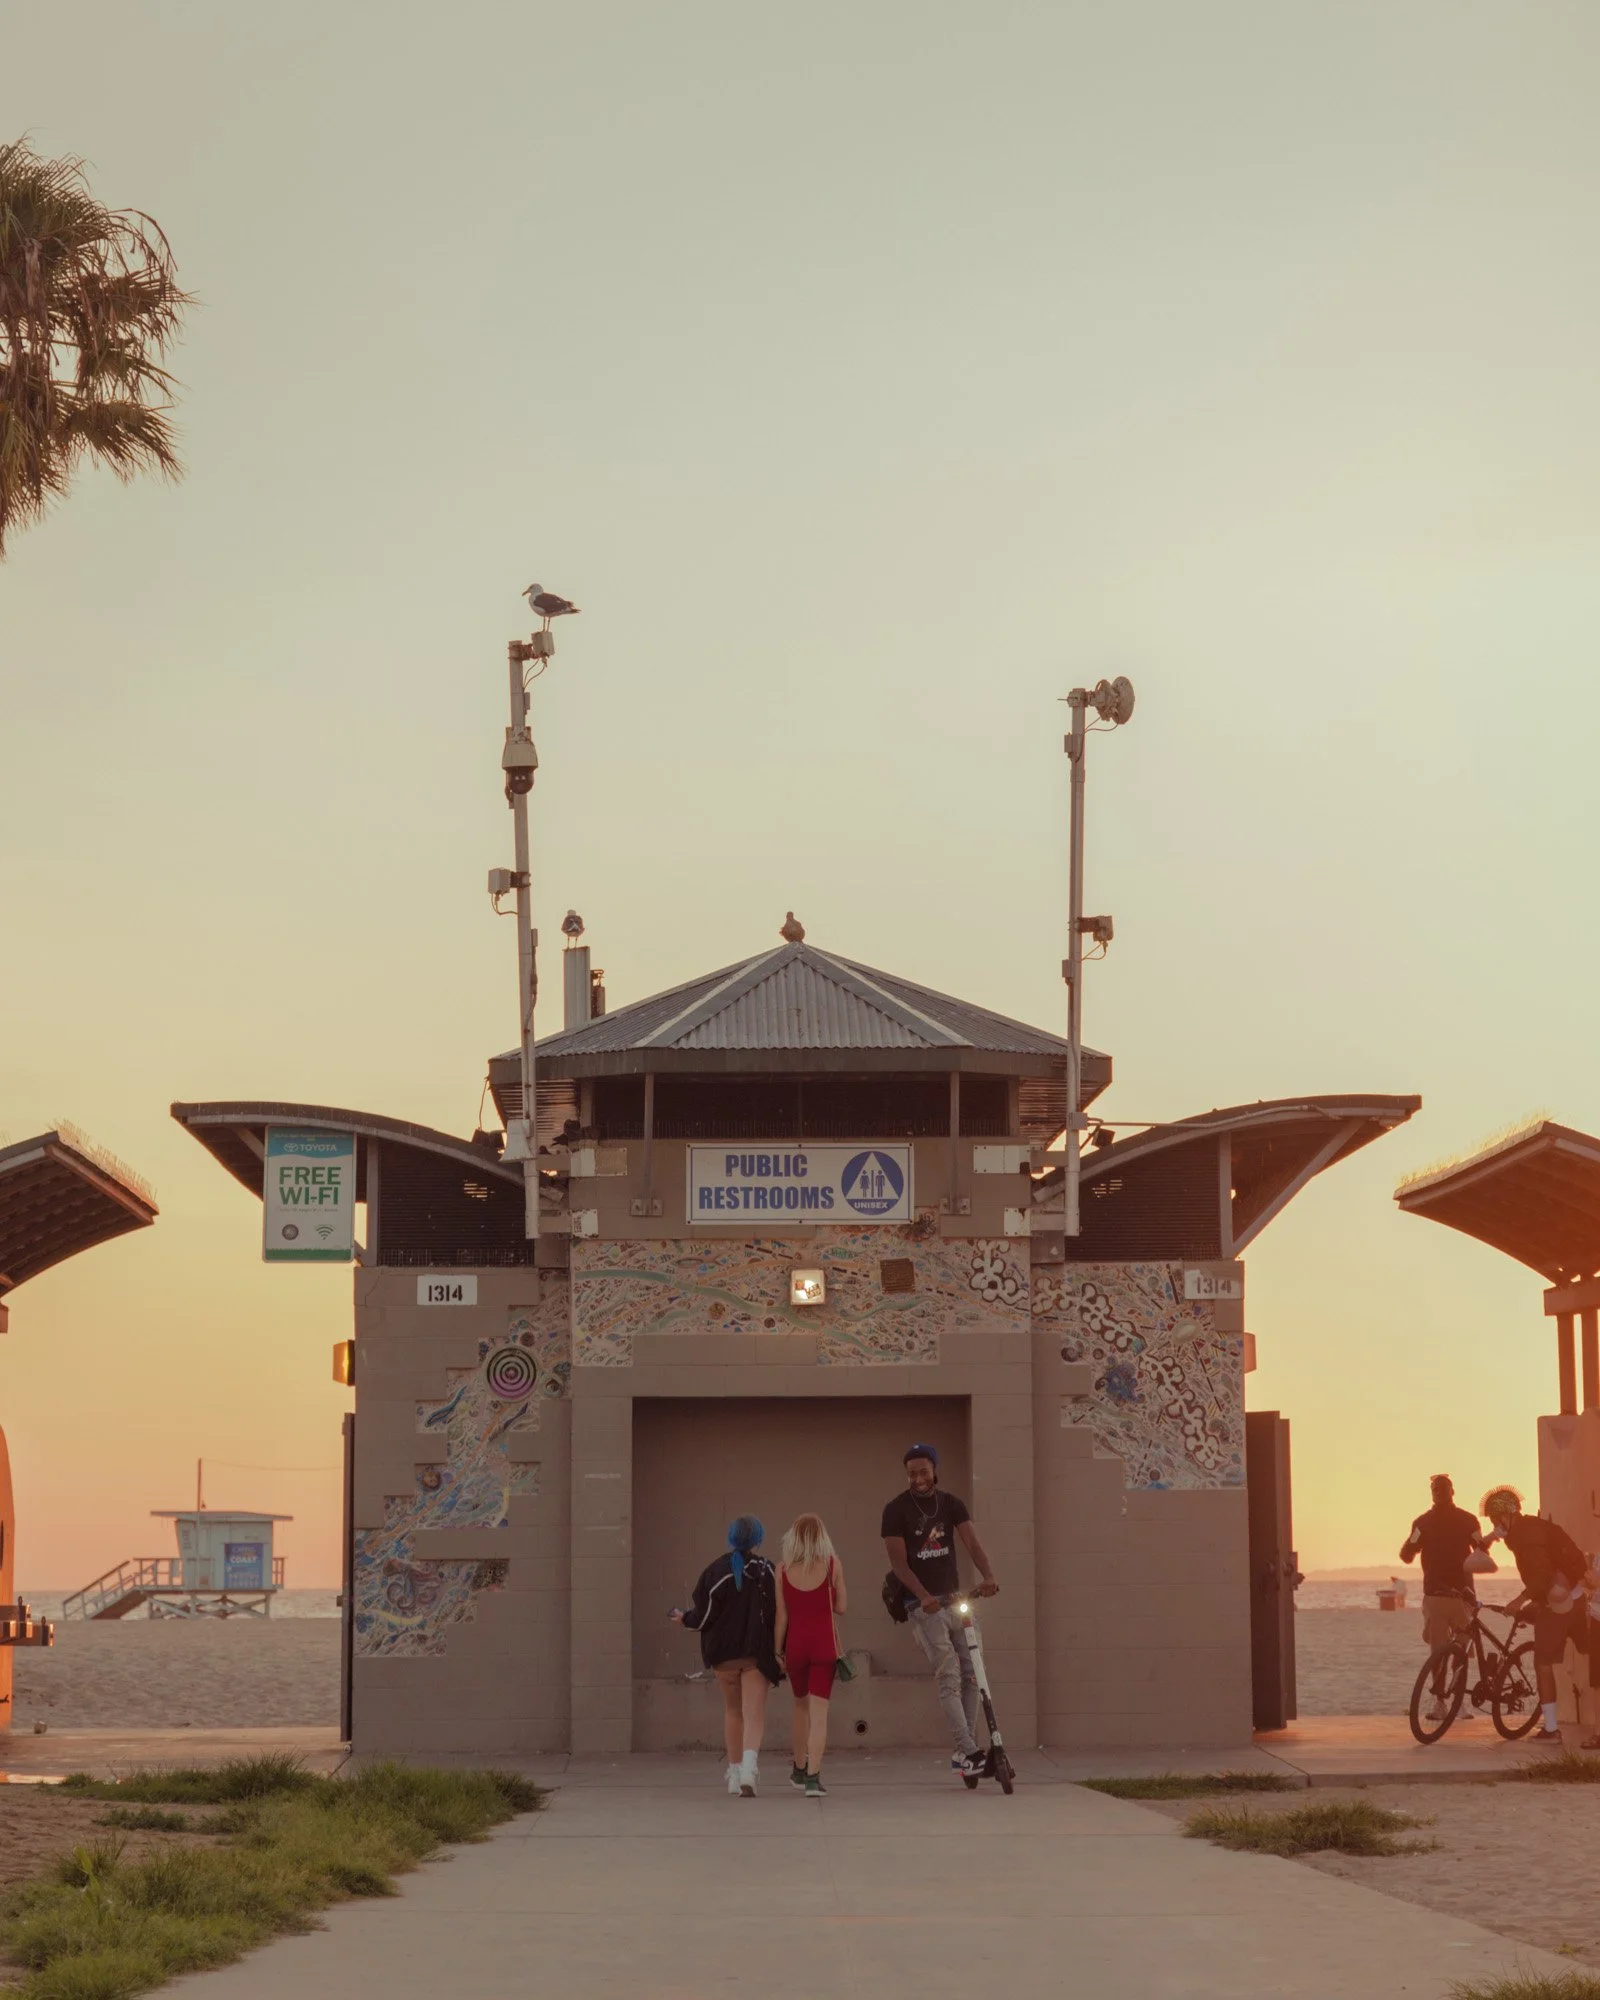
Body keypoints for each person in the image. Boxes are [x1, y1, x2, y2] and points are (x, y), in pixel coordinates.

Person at [881, 1442, 998, 1779]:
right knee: (949, 1676)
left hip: (956, 1599)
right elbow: (899, 1564)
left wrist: (988, 1577)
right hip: (923, 1606)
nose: (918, 1478)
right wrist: (922, 1596)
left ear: (934, 1470)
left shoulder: (951, 1504)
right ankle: (969, 1750)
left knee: (972, 1673)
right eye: (912, 1473)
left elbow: (972, 1543)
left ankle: (966, 1752)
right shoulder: (895, 1510)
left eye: (923, 1471)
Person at [1481, 1485, 1600, 1746]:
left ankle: (1551, 1730)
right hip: (1577, 1598)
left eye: (1495, 1520)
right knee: (1590, 1654)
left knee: (1543, 1663)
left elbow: (1541, 1577)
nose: (1494, 1525)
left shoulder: (1524, 1538)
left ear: (1505, 1516)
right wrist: (1491, 1538)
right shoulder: (1534, 1527)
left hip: (1557, 1605)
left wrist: (1519, 1600)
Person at [671, 1515, 780, 1795]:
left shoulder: (715, 1572)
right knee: (753, 1714)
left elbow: (703, 1616)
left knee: (733, 1711)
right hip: (756, 1654)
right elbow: (778, 1611)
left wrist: (684, 1619)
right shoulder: (767, 1570)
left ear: (731, 1538)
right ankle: (749, 1771)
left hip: (723, 1656)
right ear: (758, 1539)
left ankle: (734, 1773)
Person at [1399, 1474, 1485, 1721]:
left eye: (1442, 1488)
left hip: (1455, 1596)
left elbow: (1406, 1554)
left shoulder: (1429, 1523)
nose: (1439, 1492)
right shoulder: (1437, 1522)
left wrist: (1414, 1543)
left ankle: (1452, 1701)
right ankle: (1444, 1702)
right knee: (1445, 1651)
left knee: (1452, 1650)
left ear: (1451, 1491)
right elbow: (1482, 1549)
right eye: (1437, 1489)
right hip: (1446, 1595)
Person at [774, 1512, 847, 1798]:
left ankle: (798, 1769)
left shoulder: (782, 1570)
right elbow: (841, 1607)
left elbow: (782, 1617)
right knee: (820, 1713)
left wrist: (777, 1650)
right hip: (824, 1646)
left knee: (800, 1707)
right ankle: (814, 1779)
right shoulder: (832, 1565)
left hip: (796, 1647)